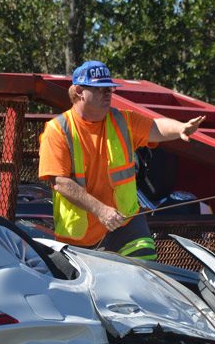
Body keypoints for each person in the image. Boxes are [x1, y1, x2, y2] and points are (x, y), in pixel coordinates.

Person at [38, 61, 204, 260]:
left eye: (110, 88)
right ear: (80, 91)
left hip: (126, 224)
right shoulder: (57, 130)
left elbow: (154, 127)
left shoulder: (121, 121)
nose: (108, 93)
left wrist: (180, 129)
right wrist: (100, 210)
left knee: (145, 271)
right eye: (100, 89)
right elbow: (60, 182)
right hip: (81, 239)